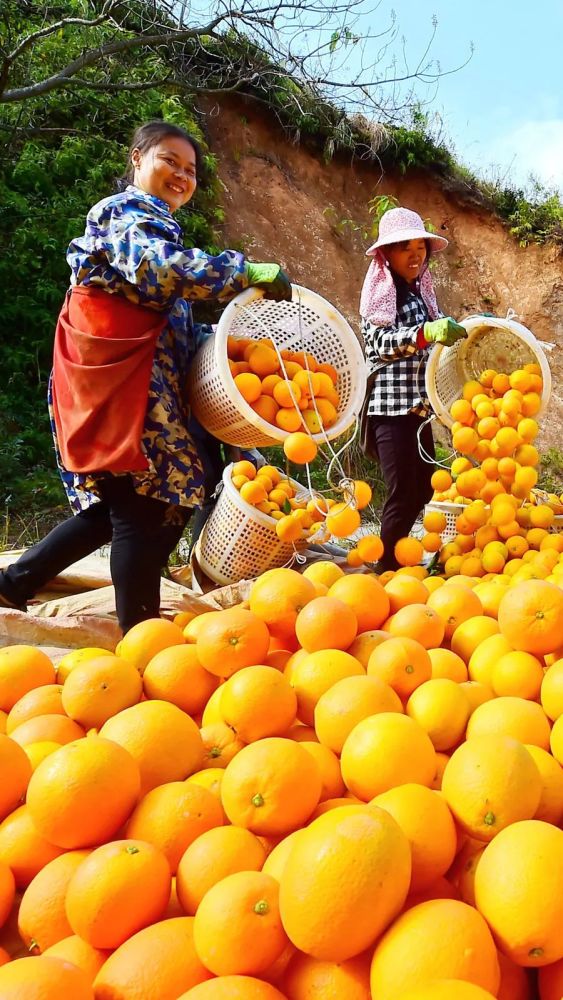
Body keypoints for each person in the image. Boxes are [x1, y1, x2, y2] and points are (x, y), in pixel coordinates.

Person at [0, 120, 291, 632]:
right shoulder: (126, 213)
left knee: (122, 502)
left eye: (191, 170)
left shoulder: (156, 222)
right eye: (170, 161)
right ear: (137, 158)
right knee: (142, 505)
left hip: (131, 373)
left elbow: (169, 314)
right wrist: (242, 272)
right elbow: (160, 269)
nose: (181, 174)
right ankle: (141, 636)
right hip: (121, 377)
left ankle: (14, 582)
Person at [359, 206, 466, 572]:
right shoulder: (382, 293)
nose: (416, 254)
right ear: (386, 254)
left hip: (418, 411)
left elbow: (436, 344)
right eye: (405, 246)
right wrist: (424, 334)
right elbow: (379, 344)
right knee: (404, 493)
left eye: (421, 246)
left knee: (423, 491)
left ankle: (399, 567)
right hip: (390, 410)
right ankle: (383, 572)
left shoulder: (420, 294)